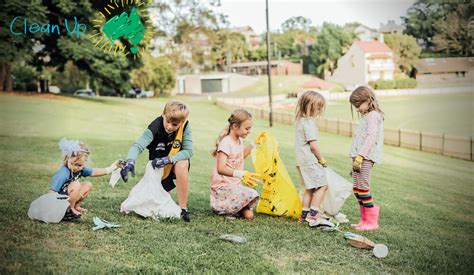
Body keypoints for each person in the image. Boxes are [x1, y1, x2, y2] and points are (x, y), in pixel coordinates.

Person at [121, 100, 193, 222]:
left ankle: (183, 208)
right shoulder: (155, 126)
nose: (170, 127)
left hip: (172, 163)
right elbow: (138, 145)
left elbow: (188, 151)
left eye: (175, 125)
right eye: (168, 122)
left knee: (183, 163)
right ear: (163, 115)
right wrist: (130, 161)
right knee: (157, 205)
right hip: (158, 169)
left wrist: (168, 159)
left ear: (182, 122)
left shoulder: (185, 127)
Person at [50, 138, 121, 220]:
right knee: (76, 184)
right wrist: (51, 207)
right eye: (73, 164)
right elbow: (52, 191)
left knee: (88, 185)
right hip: (59, 201)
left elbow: (95, 171)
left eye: (80, 165)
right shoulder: (63, 173)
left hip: (69, 196)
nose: (76, 167)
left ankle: (76, 206)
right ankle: (70, 209)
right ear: (67, 159)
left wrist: (112, 167)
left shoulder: (81, 168)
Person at [210, 109, 262, 220]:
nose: (248, 131)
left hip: (234, 187)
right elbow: (221, 168)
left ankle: (233, 209)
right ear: (235, 126)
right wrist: (240, 174)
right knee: (251, 196)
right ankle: (222, 207)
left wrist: (253, 143)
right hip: (222, 189)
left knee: (249, 214)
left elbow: (240, 157)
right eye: (246, 128)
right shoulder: (226, 143)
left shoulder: (239, 141)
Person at [349, 86, 384, 231]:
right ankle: (364, 220)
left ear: (368, 100)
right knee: (357, 189)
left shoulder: (373, 115)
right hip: (358, 157)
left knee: (363, 189)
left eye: (358, 105)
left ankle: (371, 222)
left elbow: (371, 137)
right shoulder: (366, 116)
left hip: (365, 157)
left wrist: (361, 156)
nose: (357, 109)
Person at [294, 90, 329, 225]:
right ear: (311, 106)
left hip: (301, 161)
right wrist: (321, 159)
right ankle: (313, 214)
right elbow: (313, 146)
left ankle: (304, 215)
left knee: (310, 188)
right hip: (310, 161)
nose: (320, 110)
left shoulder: (300, 121)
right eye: (319, 107)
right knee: (322, 186)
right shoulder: (309, 123)